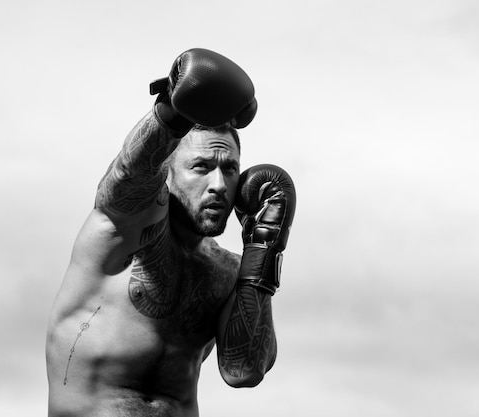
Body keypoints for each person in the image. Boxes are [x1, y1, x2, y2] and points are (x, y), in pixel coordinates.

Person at [45, 48, 296, 417]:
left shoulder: (227, 272)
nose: (219, 185)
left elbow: (244, 370)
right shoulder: (125, 228)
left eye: (229, 169)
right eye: (201, 167)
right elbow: (129, 176)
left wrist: (265, 247)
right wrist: (170, 114)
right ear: (168, 173)